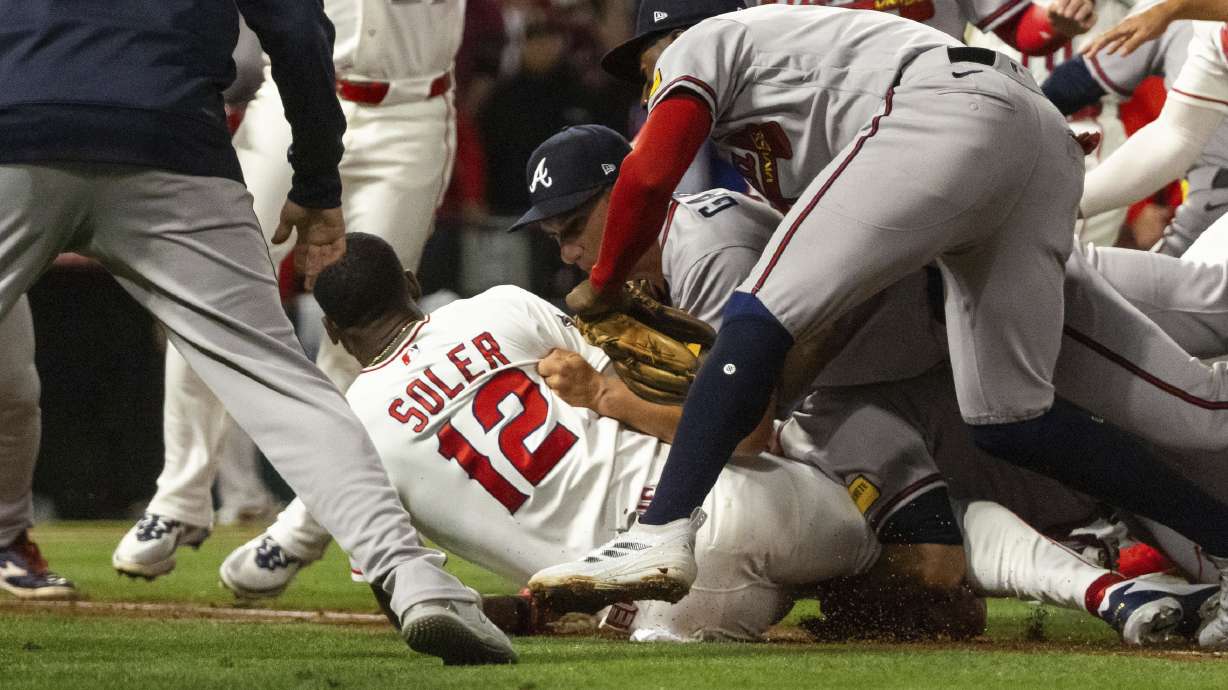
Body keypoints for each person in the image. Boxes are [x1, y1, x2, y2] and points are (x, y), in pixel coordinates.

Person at [521, 3, 1228, 649]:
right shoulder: (780, 111)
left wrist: (607, 284)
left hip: (952, 118)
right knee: (1020, 417)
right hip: (1009, 151)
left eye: (646, 67)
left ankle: (665, 527)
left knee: (756, 311)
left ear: (670, 41)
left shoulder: (706, 43)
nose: (647, 89)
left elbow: (649, 174)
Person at [271, 229, 1215, 644]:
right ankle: (1108, 587)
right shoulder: (504, 308)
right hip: (736, 505)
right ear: (407, 283)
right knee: (915, 544)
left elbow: (408, 581)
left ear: (337, 336)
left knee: (824, 611)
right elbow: (643, 383)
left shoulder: (349, 430)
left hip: (651, 611)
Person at [0, 0, 513, 665]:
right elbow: (299, 30)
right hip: (170, 134)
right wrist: (318, 179)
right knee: (279, 381)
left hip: (17, 127)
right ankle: (412, 577)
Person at [112, 0, 467, 579]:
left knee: (370, 328)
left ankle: (312, 521)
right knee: (206, 285)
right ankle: (179, 495)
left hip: (413, 112)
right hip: (298, 97)